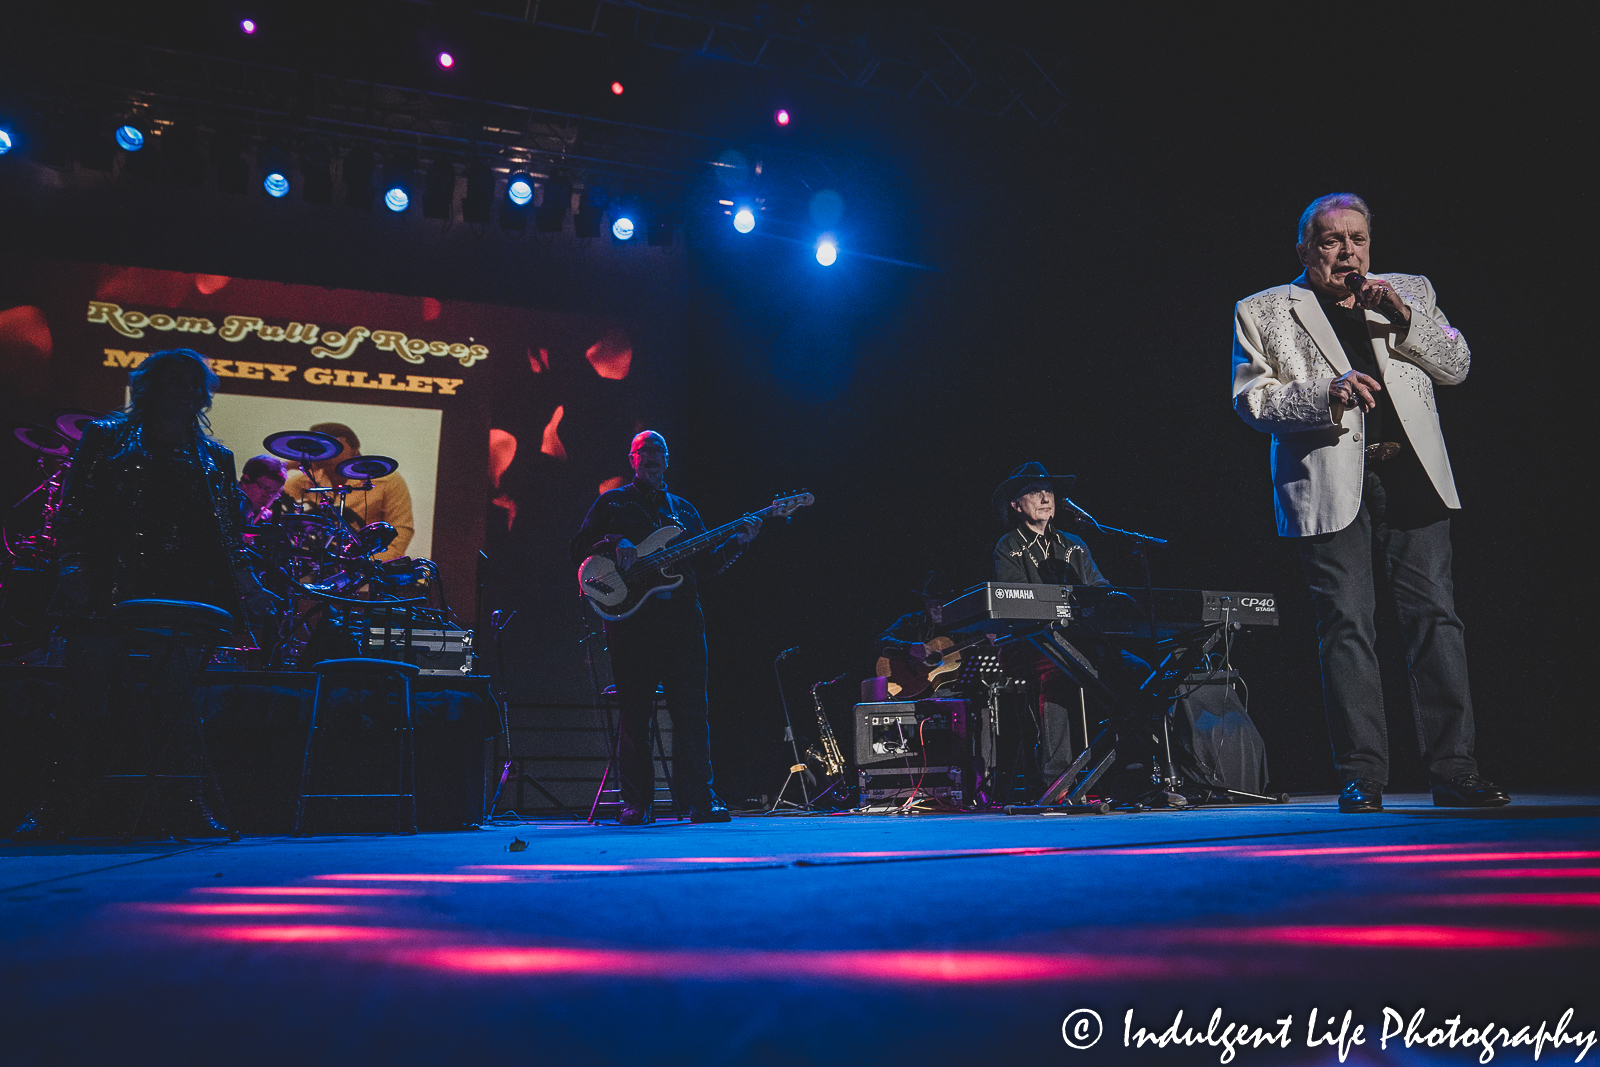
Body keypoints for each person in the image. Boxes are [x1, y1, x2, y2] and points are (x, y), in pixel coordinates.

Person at [1230, 192, 1507, 813]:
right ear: (1306, 248)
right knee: (1348, 626)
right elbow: (1253, 401)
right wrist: (1325, 391)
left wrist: (1406, 317)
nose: (1347, 252)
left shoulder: (1409, 291)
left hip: (1413, 479)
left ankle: (1455, 770)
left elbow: (1457, 365)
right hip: (1329, 482)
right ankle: (1362, 775)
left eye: (1357, 239)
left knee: (1437, 620)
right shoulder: (1267, 309)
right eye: (1331, 241)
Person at [13, 348, 276, 840]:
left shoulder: (214, 457)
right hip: (106, 584)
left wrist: (250, 589)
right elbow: (75, 510)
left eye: (191, 382)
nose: (183, 391)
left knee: (180, 705)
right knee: (84, 703)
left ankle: (186, 806)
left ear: (203, 393)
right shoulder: (107, 437)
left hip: (184, 588)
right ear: (149, 385)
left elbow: (225, 536)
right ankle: (54, 810)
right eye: (172, 380)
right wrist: (73, 569)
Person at [569, 431, 760, 824]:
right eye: (645, 451)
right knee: (635, 713)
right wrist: (615, 538)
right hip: (633, 624)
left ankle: (699, 801)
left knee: (692, 713)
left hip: (683, 624)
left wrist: (738, 544)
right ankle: (637, 804)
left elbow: (705, 568)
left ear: (667, 460)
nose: (652, 457)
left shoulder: (685, 512)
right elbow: (580, 546)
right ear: (632, 459)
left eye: (659, 451)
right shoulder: (613, 502)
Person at [990, 462, 1146, 793]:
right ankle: (1057, 781)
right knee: (1063, 669)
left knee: (1140, 671)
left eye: (1049, 491)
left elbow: (1101, 589)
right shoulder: (1008, 545)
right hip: (1029, 645)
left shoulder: (1074, 543)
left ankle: (1135, 768)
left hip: (1081, 642)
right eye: (1034, 491)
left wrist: (1110, 603)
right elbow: (1015, 601)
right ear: (1017, 505)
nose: (1045, 497)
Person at [283, 421, 414, 561]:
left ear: (355, 449)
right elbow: (286, 526)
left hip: (368, 566)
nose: (329, 454)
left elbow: (400, 532)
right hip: (316, 564)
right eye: (322, 448)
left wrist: (365, 564)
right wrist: (287, 466)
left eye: (336, 448)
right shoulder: (299, 483)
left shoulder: (387, 480)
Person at [238, 454, 288, 526]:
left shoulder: (264, 518)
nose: (268, 496)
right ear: (246, 480)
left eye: (273, 493)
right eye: (265, 489)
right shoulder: (225, 505)